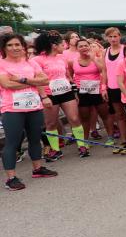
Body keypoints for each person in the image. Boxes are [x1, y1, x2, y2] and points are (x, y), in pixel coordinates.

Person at [0, 33, 58, 190]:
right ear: (4, 48)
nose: (14, 48)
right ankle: (11, 178)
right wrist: (32, 82)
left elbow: (45, 80)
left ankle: (38, 169)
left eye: (17, 44)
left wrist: (22, 80)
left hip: (34, 107)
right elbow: (7, 85)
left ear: (23, 46)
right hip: (12, 109)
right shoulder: (2, 64)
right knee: (12, 143)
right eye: (10, 45)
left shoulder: (30, 63)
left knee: (35, 139)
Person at [33, 31, 88, 158]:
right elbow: (37, 80)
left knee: (74, 118)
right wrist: (44, 97)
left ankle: (82, 146)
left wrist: (74, 92)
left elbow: (68, 76)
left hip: (66, 92)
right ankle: (55, 149)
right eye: (61, 44)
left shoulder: (62, 58)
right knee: (51, 123)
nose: (64, 46)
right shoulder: (37, 60)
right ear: (53, 45)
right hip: (49, 95)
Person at [70, 38, 114, 149]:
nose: (84, 48)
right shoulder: (73, 61)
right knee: (84, 117)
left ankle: (110, 137)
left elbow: (102, 71)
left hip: (97, 90)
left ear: (89, 47)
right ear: (77, 49)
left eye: (86, 45)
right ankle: (85, 140)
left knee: (104, 114)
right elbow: (70, 76)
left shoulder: (97, 58)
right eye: (81, 46)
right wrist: (75, 89)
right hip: (82, 91)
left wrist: (93, 58)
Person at [104, 27, 126, 154]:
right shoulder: (105, 51)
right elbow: (104, 71)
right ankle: (124, 140)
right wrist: (104, 87)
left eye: (115, 36)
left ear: (120, 36)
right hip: (112, 87)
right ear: (106, 38)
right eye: (110, 37)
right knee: (119, 115)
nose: (113, 39)